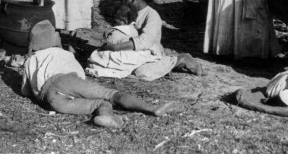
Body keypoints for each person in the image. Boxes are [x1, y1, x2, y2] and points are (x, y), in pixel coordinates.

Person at [21, 20, 175, 128]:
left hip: (50, 99)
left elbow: (25, 91)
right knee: (110, 95)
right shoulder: (63, 54)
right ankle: (151, 108)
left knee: (98, 104)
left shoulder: (31, 60)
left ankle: (106, 116)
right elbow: (79, 75)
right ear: (54, 40)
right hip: (66, 80)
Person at [86, 0, 203, 80]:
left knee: (142, 72)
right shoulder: (128, 11)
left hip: (150, 51)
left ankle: (179, 60)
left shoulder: (152, 15)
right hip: (132, 49)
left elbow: (145, 42)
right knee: (97, 59)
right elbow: (124, 30)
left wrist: (115, 47)